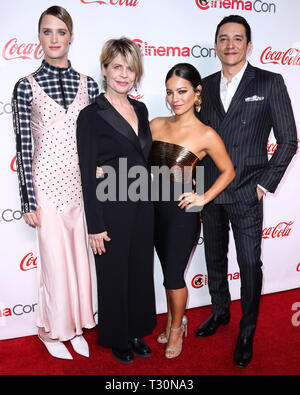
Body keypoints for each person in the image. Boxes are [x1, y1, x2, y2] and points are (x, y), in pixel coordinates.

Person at [195, 15, 298, 367]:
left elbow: (288, 141)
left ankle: (247, 329)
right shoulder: (203, 87)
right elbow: (193, 140)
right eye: (224, 38)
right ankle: (221, 312)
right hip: (209, 191)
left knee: (250, 263)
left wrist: (262, 185)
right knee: (214, 258)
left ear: (249, 45)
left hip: (246, 191)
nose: (230, 45)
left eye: (238, 38)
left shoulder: (270, 82)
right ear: (216, 45)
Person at [12, 6, 99, 360]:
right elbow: (23, 144)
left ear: (71, 36)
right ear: (39, 37)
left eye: (60, 32)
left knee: (79, 261)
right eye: (47, 32)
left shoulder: (89, 84)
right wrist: (28, 200)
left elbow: (96, 143)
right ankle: (50, 331)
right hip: (45, 187)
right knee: (53, 264)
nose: (54, 39)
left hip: (80, 189)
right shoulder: (24, 86)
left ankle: (75, 325)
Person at [76, 37, 156, 364]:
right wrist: (94, 225)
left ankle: (136, 330)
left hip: (143, 203)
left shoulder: (141, 108)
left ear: (137, 72)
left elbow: (144, 158)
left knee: (139, 269)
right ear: (105, 70)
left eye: (130, 68)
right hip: (110, 207)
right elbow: (86, 172)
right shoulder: (91, 115)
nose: (124, 74)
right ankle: (117, 336)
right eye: (117, 67)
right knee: (114, 273)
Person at [148, 63, 235, 358]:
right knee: (166, 275)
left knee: (174, 277)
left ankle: (176, 329)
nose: (175, 98)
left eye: (182, 91)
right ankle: (177, 318)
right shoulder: (156, 123)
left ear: (197, 93)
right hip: (152, 211)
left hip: (181, 216)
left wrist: (204, 197)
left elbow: (227, 171)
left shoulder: (206, 134)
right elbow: (136, 161)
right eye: (170, 92)